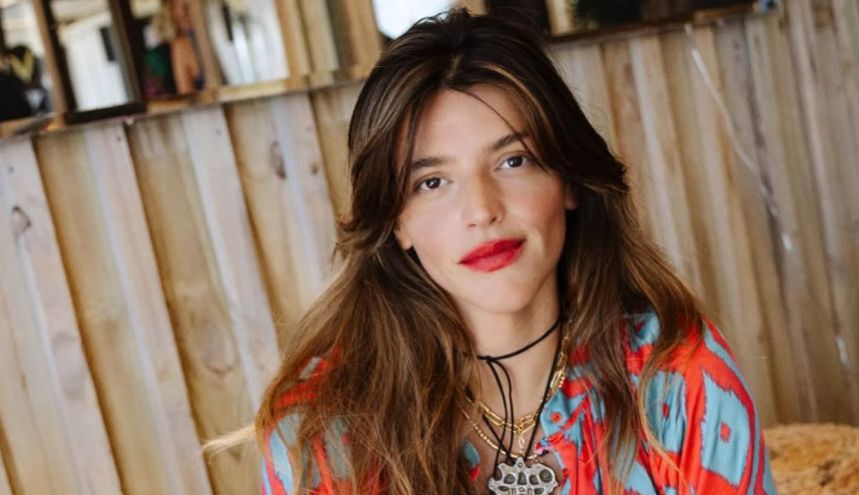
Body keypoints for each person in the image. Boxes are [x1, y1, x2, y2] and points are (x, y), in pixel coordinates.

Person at [253, 8, 776, 495]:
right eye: (432, 182)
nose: (482, 210)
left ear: (568, 180)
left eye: (513, 161)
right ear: (396, 223)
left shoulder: (679, 383)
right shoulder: (320, 432)